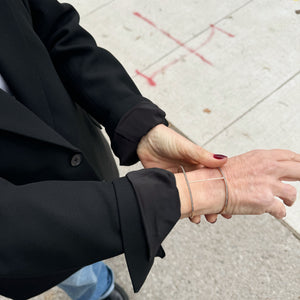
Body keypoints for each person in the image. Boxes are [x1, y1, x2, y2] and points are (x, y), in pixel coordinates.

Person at [0, 0, 298, 299]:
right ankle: (97, 292)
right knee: (74, 274)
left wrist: (136, 121)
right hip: (27, 246)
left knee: (89, 263)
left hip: (84, 157)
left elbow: (54, 28)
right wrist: (192, 193)